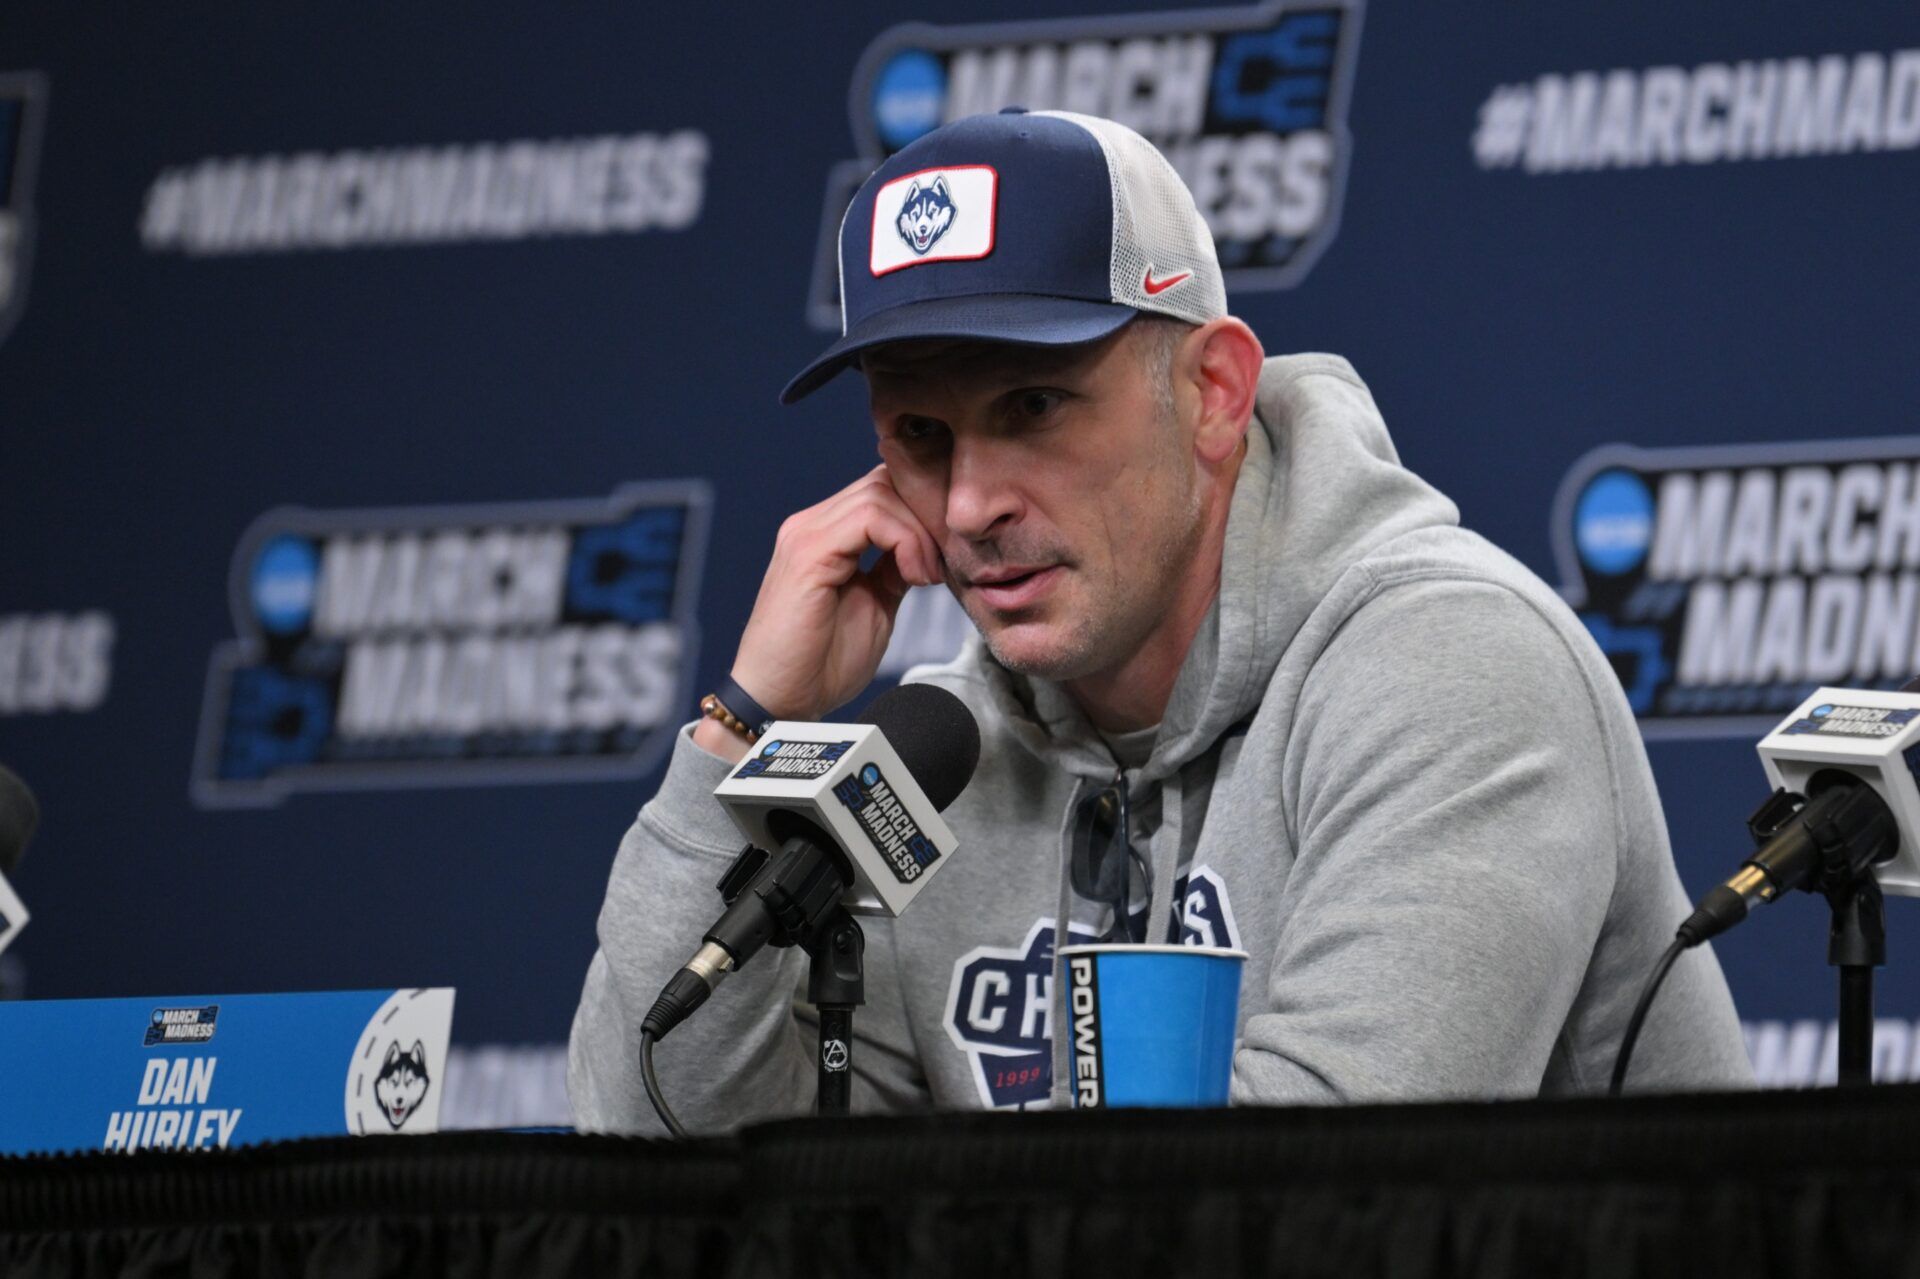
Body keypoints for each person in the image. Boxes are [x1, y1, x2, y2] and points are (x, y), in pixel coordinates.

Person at [568, 108, 1752, 1132]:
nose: (971, 504)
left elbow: (1319, 1207)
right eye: (921, 437)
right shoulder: (944, 757)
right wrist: (739, 735)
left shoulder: (1452, 668)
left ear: (1214, 396)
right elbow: (661, 1147)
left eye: (1033, 406)